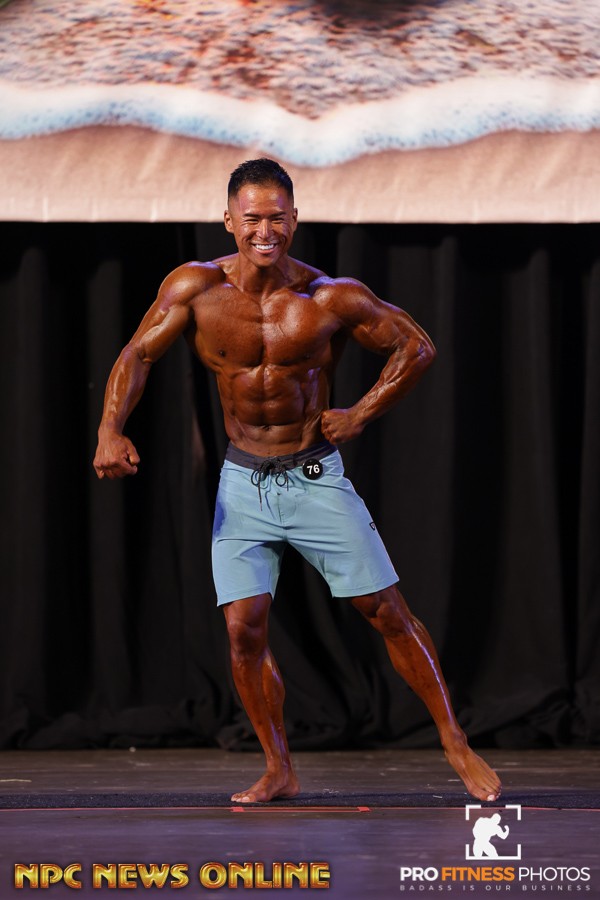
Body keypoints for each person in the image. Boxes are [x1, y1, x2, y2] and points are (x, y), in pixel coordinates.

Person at [94, 158, 501, 805]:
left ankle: (454, 740)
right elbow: (138, 353)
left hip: (313, 476)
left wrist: (360, 413)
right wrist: (109, 429)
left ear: (295, 220)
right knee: (243, 630)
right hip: (242, 482)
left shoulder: (329, 296)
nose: (265, 231)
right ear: (228, 221)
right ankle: (278, 767)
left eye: (277, 218)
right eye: (252, 218)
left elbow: (416, 346)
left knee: (386, 612)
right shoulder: (194, 288)